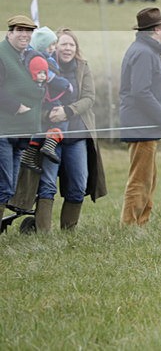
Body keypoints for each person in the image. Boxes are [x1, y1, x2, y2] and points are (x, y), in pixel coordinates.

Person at [31, 28, 107, 231]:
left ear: (76, 48)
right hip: (50, 137)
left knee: (78, 185)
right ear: (55, 46)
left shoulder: (83, 67)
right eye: (63, 44)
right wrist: (48, 115)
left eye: (71, 44)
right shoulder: (43, 65)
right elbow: (33, 98)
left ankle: (69, 230)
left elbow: (89, 98)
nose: (67, 48)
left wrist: (68, 111)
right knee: (47, 184)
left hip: (76, 136)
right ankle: (43, 232)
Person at [119, 7, 161, 226]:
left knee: (149, 178)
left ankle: (142, 220)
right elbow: (140, 91)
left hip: (146, 125)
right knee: (140, 179)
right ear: (156, 29)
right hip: (141, 124)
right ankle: (130, 224)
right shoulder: (143, 52)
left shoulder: (146, 50)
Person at [0, 15, 43, 221]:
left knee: (9, 187)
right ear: (10, 33)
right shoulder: (2, 54)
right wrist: (16, 106)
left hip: (22, 133)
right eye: (20, 30)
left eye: (29, 31)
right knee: (4, 186)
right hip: (5, 131)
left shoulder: (28, 57)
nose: (25, 35)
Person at [19, 27, 73, 173]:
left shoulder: (33, 56)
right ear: (41, 45)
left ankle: (29, 155)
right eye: (50, 45)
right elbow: (50, 78)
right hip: (47, 98)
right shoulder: (38, 59)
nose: (53, 48)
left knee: (41, 126)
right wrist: (66, 85)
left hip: (43, 97)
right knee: (62, 119)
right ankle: (50, 144)